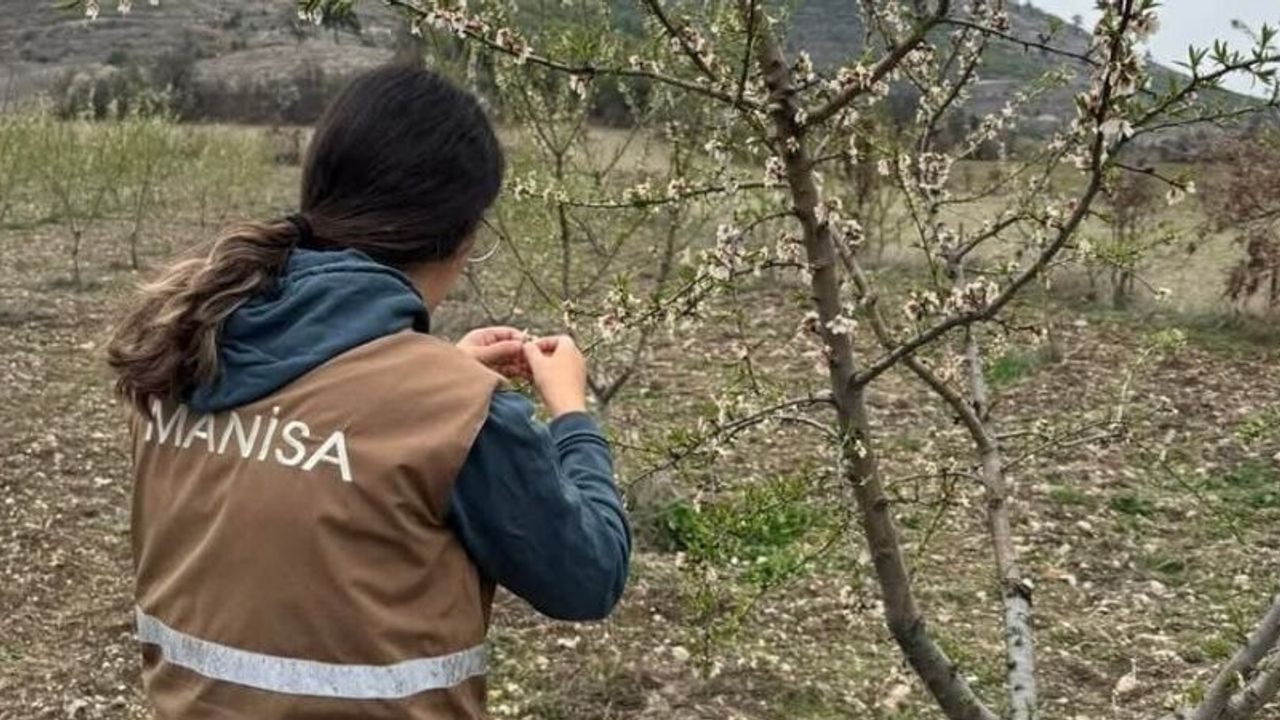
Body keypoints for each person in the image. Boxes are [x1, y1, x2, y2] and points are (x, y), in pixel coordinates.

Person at [105, 65, 630, 719]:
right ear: (461, 236)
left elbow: (301, 443)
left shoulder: (181, 348)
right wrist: (571, 414)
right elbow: (589, 576)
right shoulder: (460, 411)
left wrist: (428, 372)